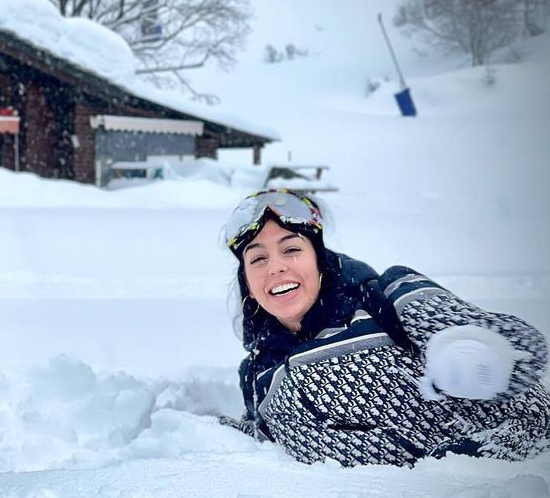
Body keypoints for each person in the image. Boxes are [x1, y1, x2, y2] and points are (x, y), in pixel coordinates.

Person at [224, 189, 550, 467]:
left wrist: (469, 348)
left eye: (291, 249)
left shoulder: (387, 298)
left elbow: (521, 349)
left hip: (520, 473)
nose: (276, 266)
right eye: (257, 259)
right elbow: (263, 446)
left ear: (319, 260)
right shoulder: (258, 374)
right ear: (248, 282)